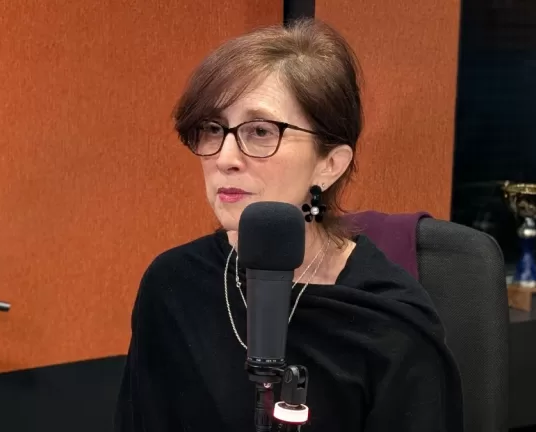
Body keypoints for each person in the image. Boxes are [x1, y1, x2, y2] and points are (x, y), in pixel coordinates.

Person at [115, 18, 464, 432]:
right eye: (212, 129)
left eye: (261, 131)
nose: (224, 158)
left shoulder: (390, 322)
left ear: (329, 164)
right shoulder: (172, 285)